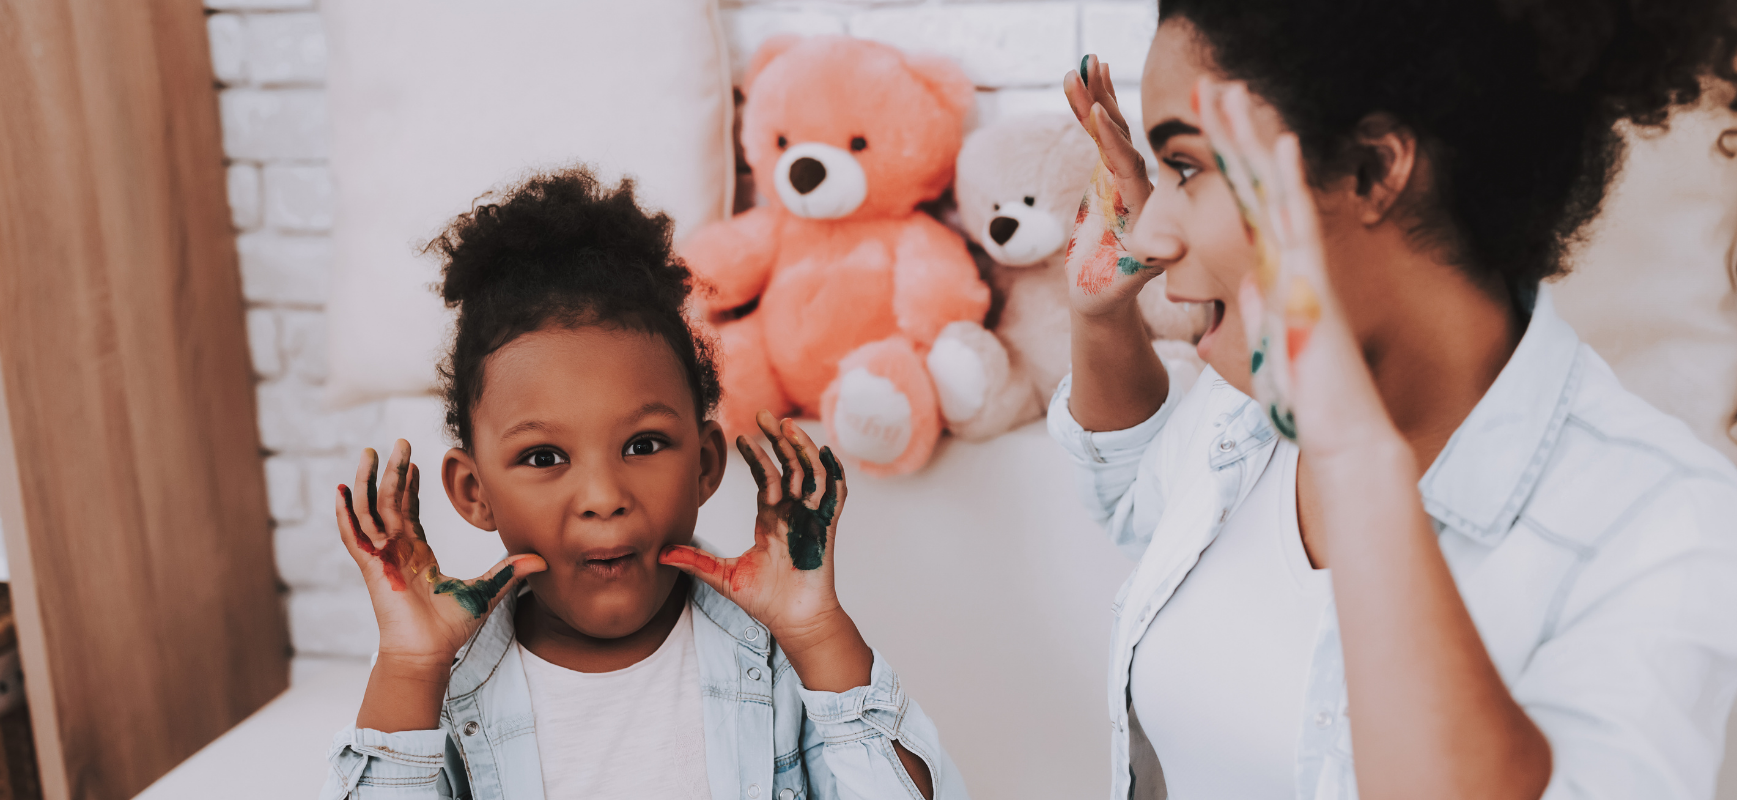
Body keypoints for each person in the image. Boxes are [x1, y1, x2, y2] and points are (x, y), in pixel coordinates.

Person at [1050, 2, 1737, 798]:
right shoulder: (1248, 408)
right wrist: (1098, 317)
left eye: (1188, 167)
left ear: (1374, 170)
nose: (1150, 232)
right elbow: (1138, 506)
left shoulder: (1666, 528)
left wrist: (1356, 459)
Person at [319, 168, 965, 800]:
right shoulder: (439, 681)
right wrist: (410, 669)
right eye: (544, 457)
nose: (604, 497)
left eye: (643, 445)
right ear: (473, 491)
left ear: (705, 465)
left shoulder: (778, 654)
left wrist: (818, 632)